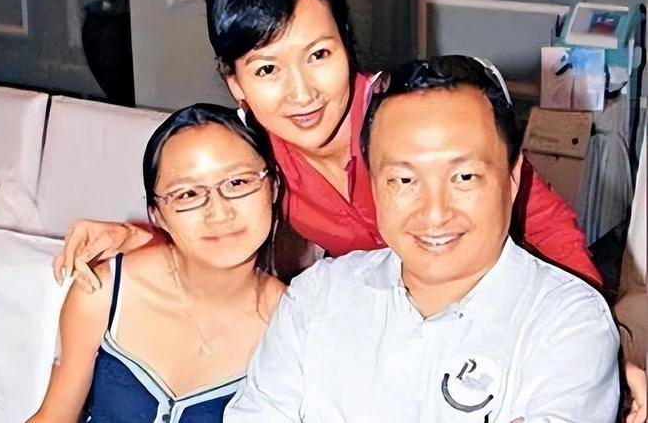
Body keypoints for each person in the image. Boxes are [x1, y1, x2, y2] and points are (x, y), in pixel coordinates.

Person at [50, 0, 645, 416]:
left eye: (319, 55)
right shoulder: (258, 165)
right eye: (267, 69)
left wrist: (601, 348)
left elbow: (545, 225)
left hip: (492, 310)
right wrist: (144, 236)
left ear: (346, 45)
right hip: (383, 325)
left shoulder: (409, 123)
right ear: (235, 84)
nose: (302, 93)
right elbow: (218, 221)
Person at [224, 56, 621, 422]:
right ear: (375, 186)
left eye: (464, 177)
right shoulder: (316, 300)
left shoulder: (568, 323)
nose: (435, 213)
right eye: (404, 180)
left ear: (512, 179)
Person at [28, 104, 285, 423]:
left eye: (238, 183)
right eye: (187, 194)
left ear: (273, 187)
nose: (219, 213)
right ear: (157, 214)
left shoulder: (292, 323)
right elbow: (54, 417)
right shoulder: (105, 292)